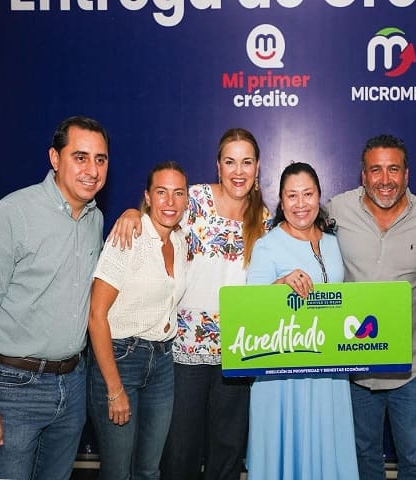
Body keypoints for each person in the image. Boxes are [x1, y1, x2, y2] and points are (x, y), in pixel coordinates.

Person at [107, 128, 270, 479]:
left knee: (227, 453)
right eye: (230, 162)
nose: (238, 171)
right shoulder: (193, 200)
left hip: (238, 351)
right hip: (184, 351)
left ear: (257, 168)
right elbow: (154, 219)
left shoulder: (264, 220)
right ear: (218, 165)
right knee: (180, 451)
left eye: (246, 162)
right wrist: (132, 213)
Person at [0, 116, 109, 479]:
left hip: (72, 385)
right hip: (12, 388)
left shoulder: (95, 219)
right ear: (55, 158)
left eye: (100, 159)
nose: (92, 170)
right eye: (80, 157)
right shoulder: (12, 215)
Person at [325, 134, 416, 480]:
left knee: (415, 460)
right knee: (363, 459)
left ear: (406, 174)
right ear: (363, 175)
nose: (385, 179)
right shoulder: (336, 211)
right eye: (375, 170)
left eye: (393, 169)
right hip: (355, 370)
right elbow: (298, 232)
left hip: (409, 372)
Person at [245, 161, 358, 479]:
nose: (300, 203)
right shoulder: (267, 246)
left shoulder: (334, 243)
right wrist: (281, 284)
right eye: (292, 196)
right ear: (281, 201)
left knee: (327, 453)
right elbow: (251, 311)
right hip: (282, 377)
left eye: (308, 194)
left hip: (328, 373)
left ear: (319, 196)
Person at [87, 161, 188, 479]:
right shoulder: (128, 237)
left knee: (148, 469)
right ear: (147, 196)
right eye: (161, 192)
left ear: (186, 199)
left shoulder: (180, 241)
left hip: (163, 363)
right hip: (121, 359)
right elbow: (96, 315)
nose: (170, 202)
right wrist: (114, 389)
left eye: (178, 193)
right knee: (117, 472)